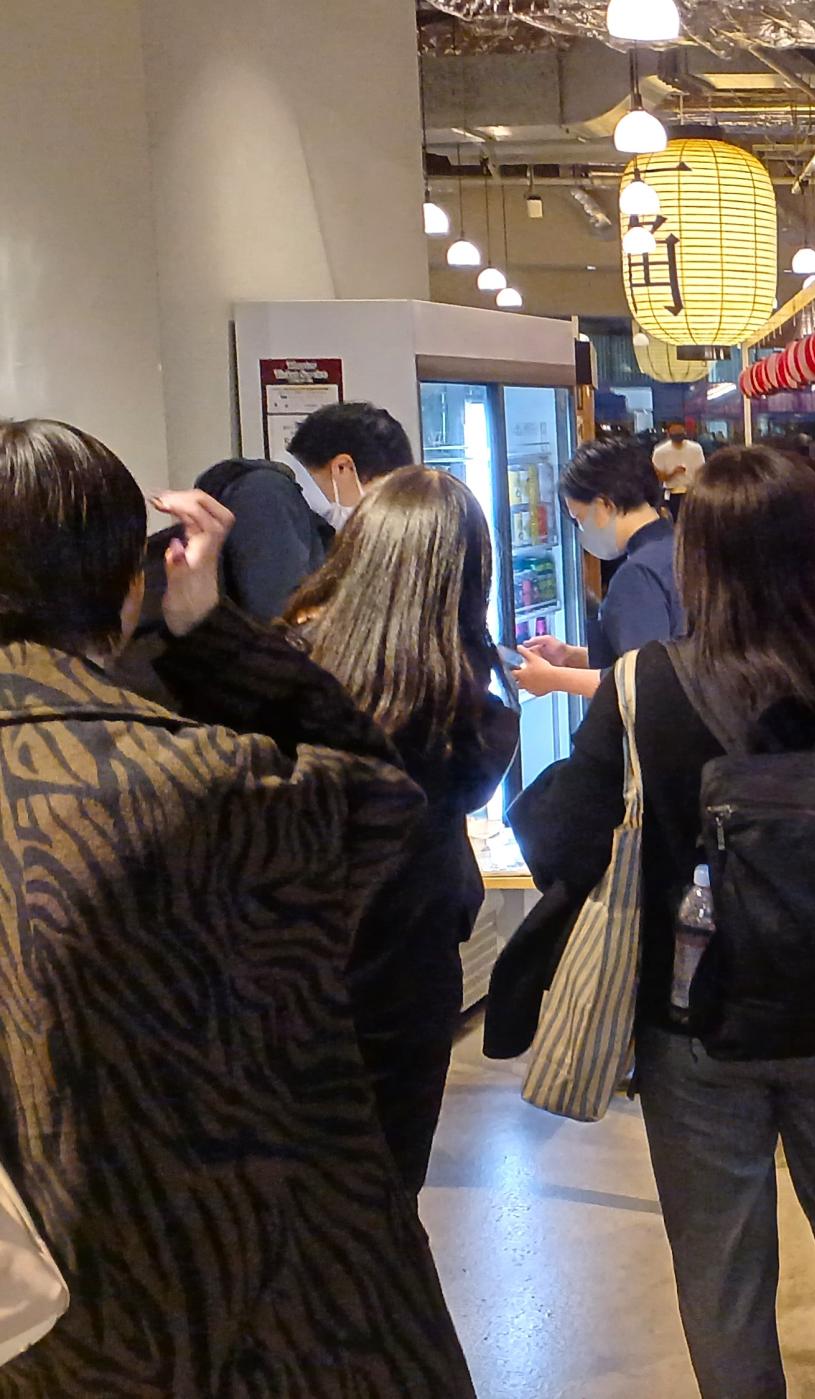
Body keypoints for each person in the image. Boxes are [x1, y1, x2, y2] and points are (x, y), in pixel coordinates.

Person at [0, 420, 473, 1395]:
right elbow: (382, 799)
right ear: (126, 585)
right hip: (238, 1304)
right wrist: (208, 630)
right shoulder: (215, 787)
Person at [514, 446, 815, 1398]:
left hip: (697, 1026)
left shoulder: (648, 686)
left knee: (721, 1267)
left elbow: (565, 842)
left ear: (699, 560)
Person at [284, 467, 520, 1192]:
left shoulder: (287, 668)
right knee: (389, 1186)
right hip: (408, 964)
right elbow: (474, 785)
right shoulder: (462, 706)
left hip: (288, 966)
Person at [192, 400, 416, 620]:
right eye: (378, 490)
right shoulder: (267, 494)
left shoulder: (293, 504)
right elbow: (281, 614)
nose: (377, 504)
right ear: (343, 467)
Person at [515, 436, 684, 701]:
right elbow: (660, 658)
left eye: (579, 519)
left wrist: (552, 678)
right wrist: (570, 656)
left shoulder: (638, 575)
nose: (581, 531)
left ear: (604, 505)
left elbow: (643, 685)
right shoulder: (676, 547)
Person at [652, 419, 707, 516]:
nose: (677, 434)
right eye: (674, 431)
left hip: (691, 491)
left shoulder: (695, 448)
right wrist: (673, 473)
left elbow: (701, 471)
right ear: (668, 433)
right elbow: (658, 476)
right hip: (672, 493)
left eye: (680, 431)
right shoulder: (660, 451)